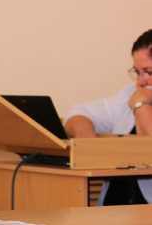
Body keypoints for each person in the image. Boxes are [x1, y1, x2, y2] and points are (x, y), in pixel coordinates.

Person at [63, 29, 152, 205]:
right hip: (109, 212)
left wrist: (141, 106)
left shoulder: (138, 98)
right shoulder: (128, 95)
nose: (140, 82)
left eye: (148, 72)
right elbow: (77, 112)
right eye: (137, 72)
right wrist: (87, 141)